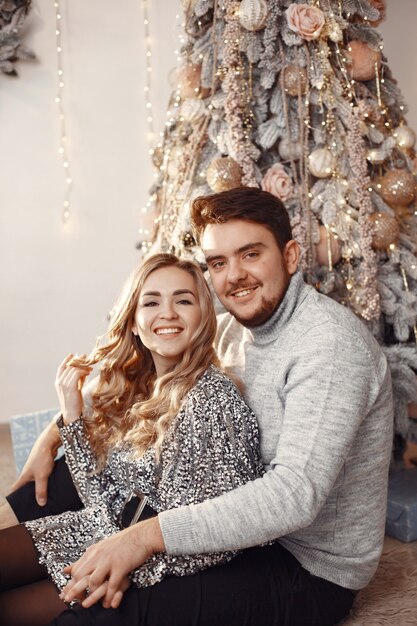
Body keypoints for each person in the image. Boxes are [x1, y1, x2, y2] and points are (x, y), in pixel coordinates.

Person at [2, 187, 393, 626]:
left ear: (290, 256)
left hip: (302, 567)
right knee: (62, 477)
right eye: (218, 262)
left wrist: (143, 538)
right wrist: (53, 432)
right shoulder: (231, 325)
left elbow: (294, 497)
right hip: (231, 520)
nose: (234, 276)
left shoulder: (330, 345)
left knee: (100, 608)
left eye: (250, 254)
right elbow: (132, 374)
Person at [0, 252, 264, 626]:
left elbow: (212, 536)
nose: (168, 313)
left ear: (204, 319)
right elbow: (100, 499)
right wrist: (72, 416)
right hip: (96, 533)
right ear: (135, 323)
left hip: (141, 562)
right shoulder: (141, 388)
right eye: (152, 301)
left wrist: (130, 566)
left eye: (183, 300)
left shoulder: (212, 398)